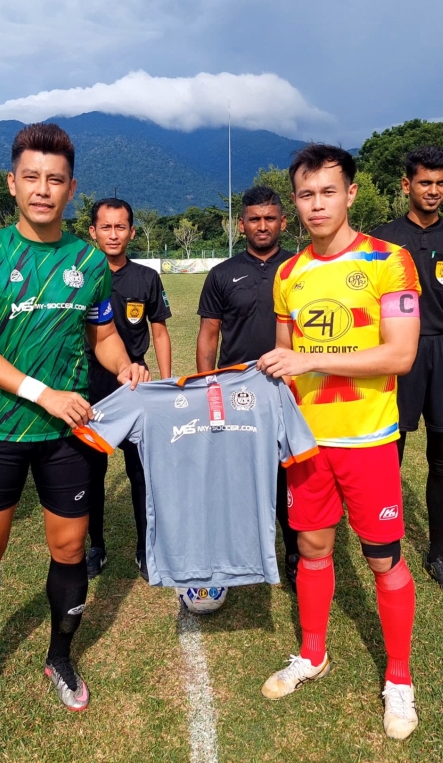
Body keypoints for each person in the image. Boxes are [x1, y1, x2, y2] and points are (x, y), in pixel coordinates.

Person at [0, 123, 149, 722]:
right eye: (31, 178)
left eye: (55, 180)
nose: (43, 189)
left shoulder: (89, 260)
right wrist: (46, 394)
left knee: (68, 550)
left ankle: (60, 657)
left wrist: (127, 367)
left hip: (66, 436)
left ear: (71, 188)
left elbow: (104, 335)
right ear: (13, 184)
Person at [256, 144, 422, 741]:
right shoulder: (288, 273)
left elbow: (400, 354)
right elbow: (281, 363)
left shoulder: (389, 260)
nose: (317, 204)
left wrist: (307, 357)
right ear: (294, 200)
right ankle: (313, 653)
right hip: (306, 444)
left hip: (368, 440)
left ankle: (398, 680)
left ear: (352, 193)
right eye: (305, 194)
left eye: (328, 192)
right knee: (313, 547)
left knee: (383, 558)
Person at [372, 146, 443, 595]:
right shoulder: (380, 239)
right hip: (396, 353)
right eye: (424, 183)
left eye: (441, 183)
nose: (433, 191)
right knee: (387, 456)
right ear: (407, 185)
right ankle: (388, 547)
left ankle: (437, 555)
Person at [196, 185, 300, 587]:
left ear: (283, 222)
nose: (262, 226)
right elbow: (209, 335)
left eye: (270, 218)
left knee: (290, 474)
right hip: (238, 390)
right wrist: (208, 388)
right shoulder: (223, 273)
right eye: (254, 219)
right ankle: (237, 557)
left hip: (291, 390)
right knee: (239, 477)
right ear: (241, 225)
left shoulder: (300, 268)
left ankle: (293, 554)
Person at [84, 197, 172, 581]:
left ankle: (144, 546)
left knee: (141, 473)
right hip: (88, 387)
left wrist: (166, 384)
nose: (114, 234)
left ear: (132, 232)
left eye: (121, 227)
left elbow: (160, 331)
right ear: (93, 232)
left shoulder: (146, 278)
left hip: (135, 387)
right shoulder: (80, 275)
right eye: (106, 227)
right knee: (90, 473)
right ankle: (95, 547)